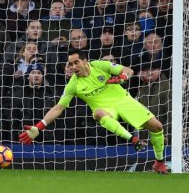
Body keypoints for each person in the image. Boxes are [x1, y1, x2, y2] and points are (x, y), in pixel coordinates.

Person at [19, 48, 168, 174]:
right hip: (105, 109)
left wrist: (122, 77)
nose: (73, 67)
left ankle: (159, 162)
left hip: (124, 101)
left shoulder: (99, 65)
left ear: (85, 61)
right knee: (97, 113)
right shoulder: (73, 84)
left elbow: (128, 70)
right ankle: (133, 139)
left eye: (76, 62)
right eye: (70, 64)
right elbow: (59, 107)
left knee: (157, 127)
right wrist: (40, 126)